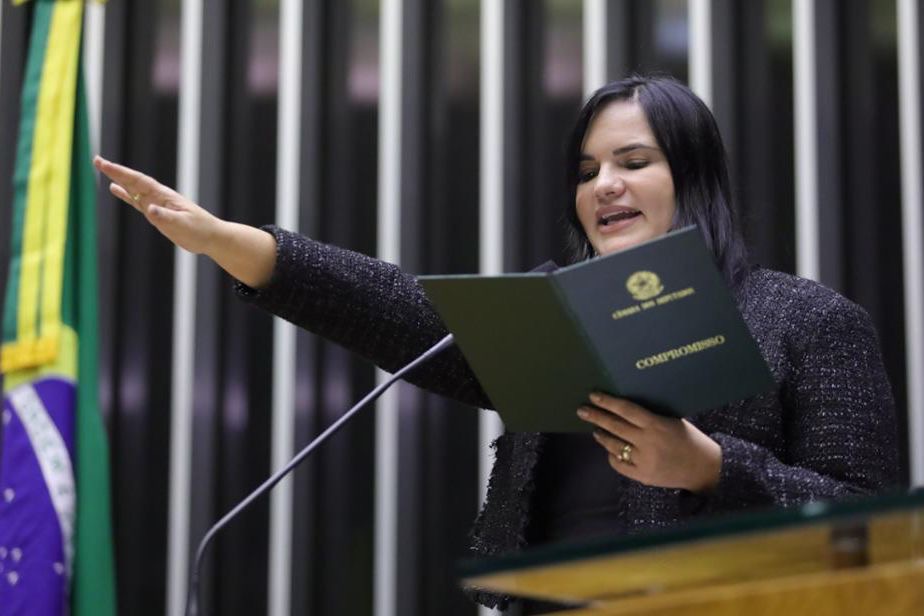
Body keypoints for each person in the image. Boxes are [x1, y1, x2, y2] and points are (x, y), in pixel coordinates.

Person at [94, 74, 899, 613]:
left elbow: (869, 526)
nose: (603, 186)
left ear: (694, 177)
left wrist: (710, 468)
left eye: (633, 161)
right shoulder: (552, 312)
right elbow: (399, 311)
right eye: (586, 171)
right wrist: (228, 242)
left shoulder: (807, 319)